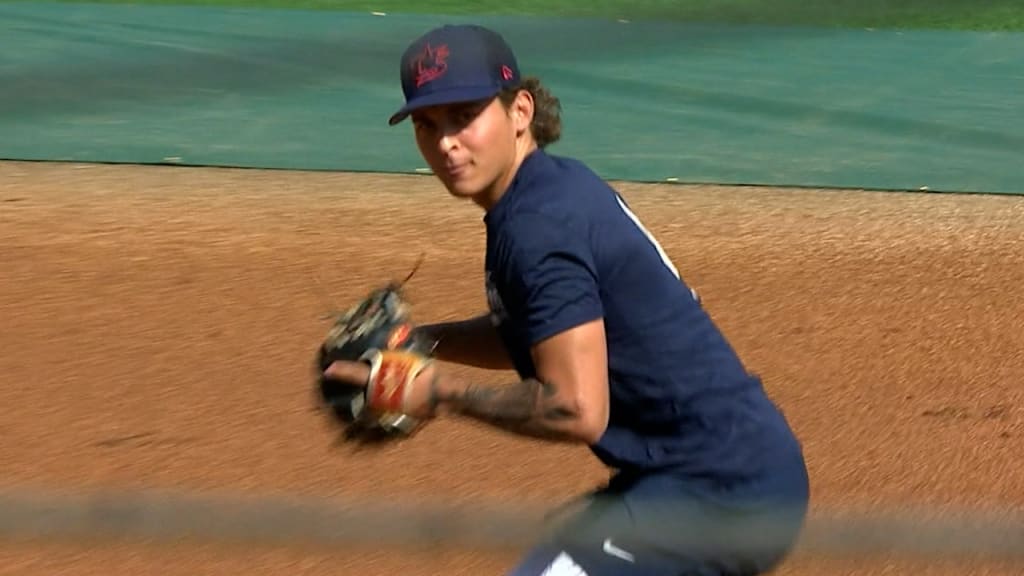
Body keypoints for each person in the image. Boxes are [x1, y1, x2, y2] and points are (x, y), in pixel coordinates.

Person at [324, 23, 810, 576]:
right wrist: (427, 340)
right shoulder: (552, 189)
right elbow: (542, 325)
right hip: (726, 471)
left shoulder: (536, 228)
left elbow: (576, 409)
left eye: (464, 116)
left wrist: (436, 392)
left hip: (719, 491)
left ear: (520, 110)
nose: (445, 142)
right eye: (427, 124)